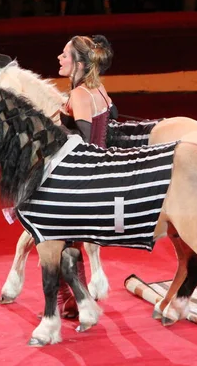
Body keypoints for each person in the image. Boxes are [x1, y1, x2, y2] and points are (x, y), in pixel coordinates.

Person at [54, 34, 116, 318]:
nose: (59, 58)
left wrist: (55, 127)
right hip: (103, 169)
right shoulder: (98, 88)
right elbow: (111, 119)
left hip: (87, 176)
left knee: (57, 235)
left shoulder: (79, 95)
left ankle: (71, 302)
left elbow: (86, 142)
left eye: (65, 55)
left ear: (78, 62)